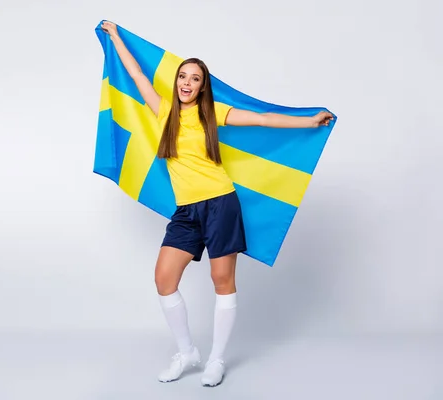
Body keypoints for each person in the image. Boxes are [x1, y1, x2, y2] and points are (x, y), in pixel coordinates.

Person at [100, 21, 333, 387]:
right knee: (164, 279)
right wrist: (115, 37)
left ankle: (216, 360)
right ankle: (187, 351)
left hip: (220, 204)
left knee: (221, 280)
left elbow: (263, 119)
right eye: (182, 77)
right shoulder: (162, 111)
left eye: (194, 78)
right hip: (186, 211)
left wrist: (309, 120)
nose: (187, 83)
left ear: (202, 85)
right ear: (176, 82)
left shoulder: (212, 113)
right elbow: (135, 72)